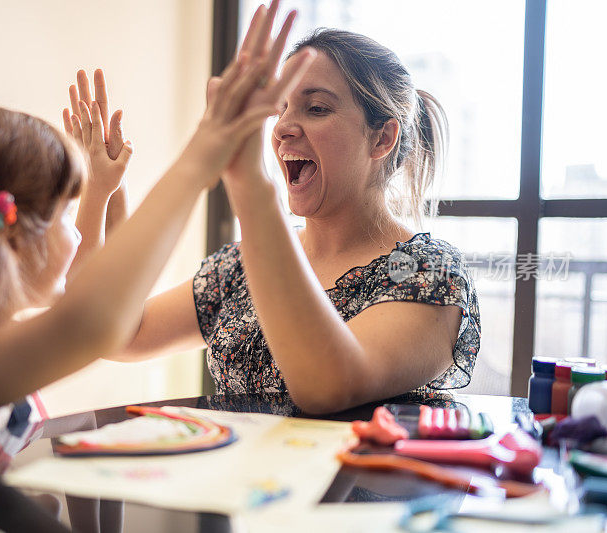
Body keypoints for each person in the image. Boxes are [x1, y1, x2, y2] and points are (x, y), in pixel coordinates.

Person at [0, 5, 313, 493]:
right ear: (9, 239)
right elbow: (92, 317)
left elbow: (82, 291)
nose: (76, 234)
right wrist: (204, 152)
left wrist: (104, 190)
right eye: (64, 216)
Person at [99, 7, 480, 414]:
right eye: (280, 108)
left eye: (316, 108)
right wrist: (103, 193)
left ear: (382, 137)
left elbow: (328, 385)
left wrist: (250, 183)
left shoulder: (430, 272)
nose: (282, 127)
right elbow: (116, 333)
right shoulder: (240, 267)